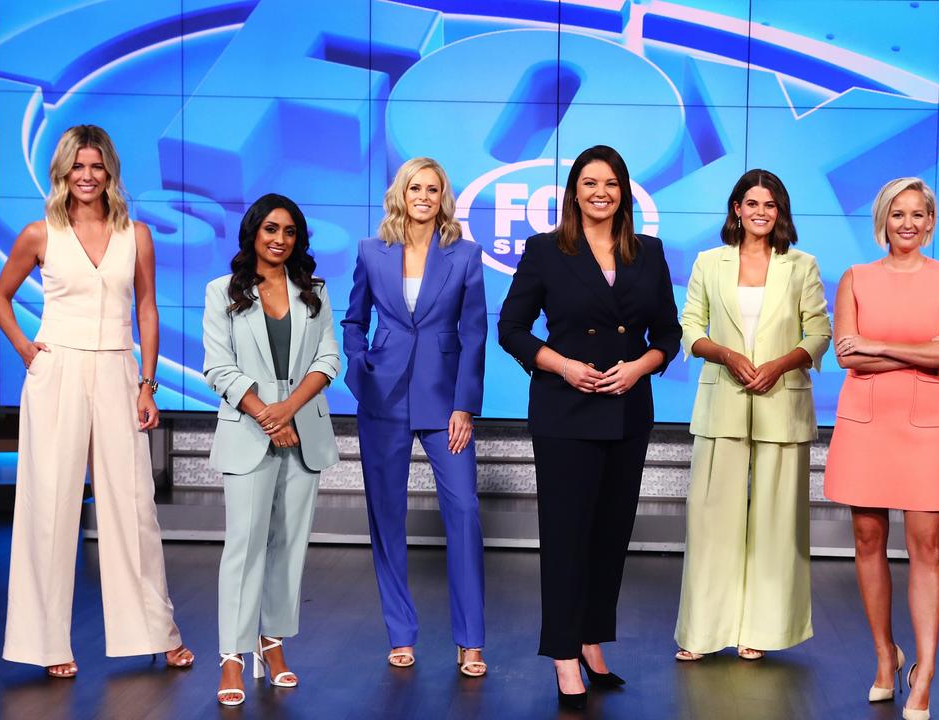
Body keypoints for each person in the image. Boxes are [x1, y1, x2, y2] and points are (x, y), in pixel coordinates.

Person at [0, 124, 193, 677]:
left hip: (116, 369)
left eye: (96, 167)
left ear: (109, 173)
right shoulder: (40, 234)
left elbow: (147, 310)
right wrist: (28, 351)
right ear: (63, 172)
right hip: (56, 370)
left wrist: (147, 383)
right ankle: (44, 645)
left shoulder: (137, 235)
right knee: (48, 507)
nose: (86, 176)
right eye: (77, 167)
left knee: (132, 507)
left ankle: (158, 631)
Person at [498, 145, 681, 709]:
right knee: (566, 536)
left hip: (628, 408)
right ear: (573, 191)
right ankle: (562, 655)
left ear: (624, 192)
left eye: (611, 183)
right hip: (565, 409)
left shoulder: (648, 253)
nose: (600, 191)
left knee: (610, 536)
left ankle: (593, 641)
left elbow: (668, 336)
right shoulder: (545, 250)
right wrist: (564, 365)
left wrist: (638, 369)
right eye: (589, 182)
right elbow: (511, 328)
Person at [823, 177, 939, 720]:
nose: (907, 224)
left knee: (926, 546)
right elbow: (847, 357)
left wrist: (879, 345)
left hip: (925, 423)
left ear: (931, 222)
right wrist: (921, 353)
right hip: (866, 420)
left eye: (918, 215)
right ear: (882, 221)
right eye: (897, 214)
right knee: (867, 538)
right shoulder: (856, 278)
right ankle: (886, 654)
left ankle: (925, 672)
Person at [673, 169, 830, 662]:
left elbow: (819, 333)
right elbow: (690, 327)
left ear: (780, 211)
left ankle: (761, 630)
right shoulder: (708, 262)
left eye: (770, 204)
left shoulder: (801, 265)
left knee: (776, 525)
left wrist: (781, 365)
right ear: (736, 209)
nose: (761, 211)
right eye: (752, 203)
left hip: (782, 404)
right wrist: (725, 354)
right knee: (711, 521)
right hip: (722, 400)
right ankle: (701, 632)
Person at [342, 158, 489, 676]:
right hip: (381, 400)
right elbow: (354, 319)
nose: (423, 196)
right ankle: (400, 633)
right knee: (387, 519)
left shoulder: (465, 255)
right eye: (414, 187)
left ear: (443, 196)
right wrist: (359, 371)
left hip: (445, 401)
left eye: (432, 188)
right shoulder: (370, 252)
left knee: (466, 514)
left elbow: (474, 334)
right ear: (400, 193)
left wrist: (465, 405)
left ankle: (470, 640)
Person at [203, 194, 340, 706]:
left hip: (304, 430)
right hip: (248, 431)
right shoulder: (223, 292)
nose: (279, 239)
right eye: (270, 229)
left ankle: (273, 644)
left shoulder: (315, 292)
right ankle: (233, 657)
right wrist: (267, 414)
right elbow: (218, 368)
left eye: (289, 231)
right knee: (244, 546)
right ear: (252, 234)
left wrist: (288, 411)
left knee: (289, 547)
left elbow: (329, 358)